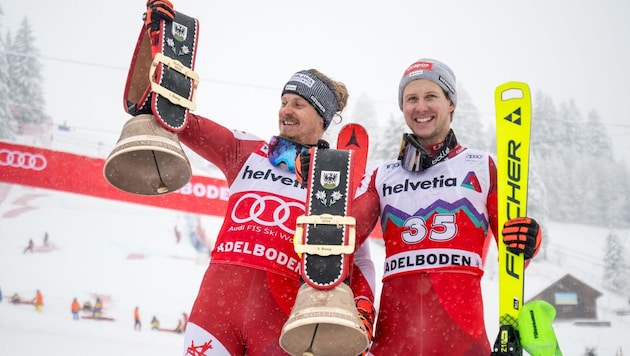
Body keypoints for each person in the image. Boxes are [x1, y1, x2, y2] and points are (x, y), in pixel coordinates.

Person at [141, 1, 376, 354]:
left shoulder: (334, 178)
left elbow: (358, 259)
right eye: (284, 101)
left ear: (322, 118)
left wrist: (362, 310)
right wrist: (156, 47)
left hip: (281, 321)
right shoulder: (246, 151)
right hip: (214, 313)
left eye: (299, 104)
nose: (286, 110)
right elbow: (175, 117)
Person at [345, 58, 543, 355]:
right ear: (402, 107)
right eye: (411, 99)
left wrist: (529, 238)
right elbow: (344, 239)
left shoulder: (482, 166)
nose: (420, 107)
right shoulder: (383, 175)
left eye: (431, 96)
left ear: (450, 103)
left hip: (463, 343)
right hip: (392, 344)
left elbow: (513, 247)